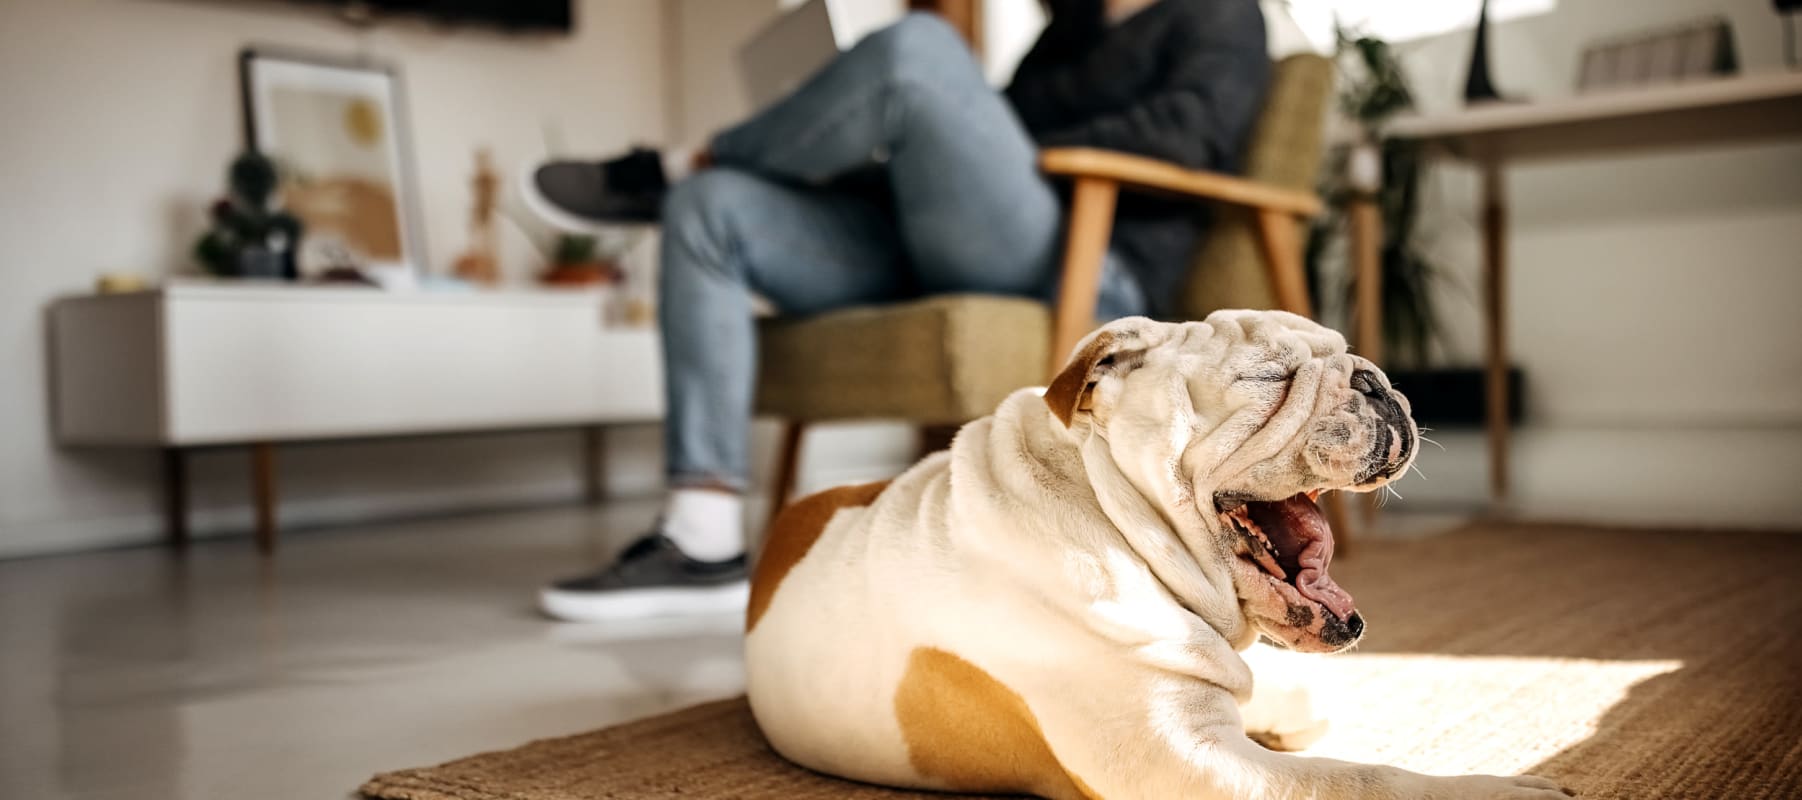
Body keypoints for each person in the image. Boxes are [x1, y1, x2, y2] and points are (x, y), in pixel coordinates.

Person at [529, 0, 1269, 622]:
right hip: (951, 240)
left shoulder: (1219, 12)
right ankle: (702, 539)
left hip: (1088, 261)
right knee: (707, 211)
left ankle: (686, 158)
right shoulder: (1067, 27)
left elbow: (1191, 140)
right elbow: (991, 131)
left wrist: (1011, 146)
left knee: (919, 50)